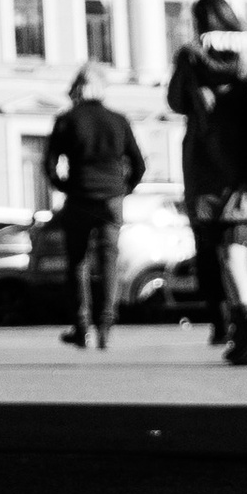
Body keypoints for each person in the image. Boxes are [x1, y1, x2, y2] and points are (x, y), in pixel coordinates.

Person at [167, 0, 247, 366]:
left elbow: (176, 102)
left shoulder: (192, 55)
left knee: (230, 253)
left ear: (201, 21)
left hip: (214, 169)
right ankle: (245, 327)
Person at [42, 63, 147, 349]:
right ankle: (105, 325)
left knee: (78, 262)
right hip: (111, 200)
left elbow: (49, 166)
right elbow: (138, 164)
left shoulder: (66, 120)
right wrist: (124, 189)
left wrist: (66, 186)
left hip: (79, 197)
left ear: (77, 88)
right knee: (108, 261)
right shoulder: (118, 120)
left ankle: (81, 325)